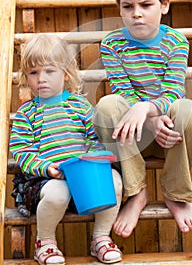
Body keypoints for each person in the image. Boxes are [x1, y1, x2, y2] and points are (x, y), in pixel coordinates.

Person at [93, 0, 192, 238]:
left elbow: (172, 91)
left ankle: (176, 193)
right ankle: (136, 193)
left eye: (146, 5)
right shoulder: (112, 44)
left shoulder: (176, 42)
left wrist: (149, 111)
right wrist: (147, 120)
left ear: (164, 5)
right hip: (131, 141)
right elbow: (123, 92)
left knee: (189, 110)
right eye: (128, 6)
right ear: (119, 9)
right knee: (108, 105)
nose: (137, 13)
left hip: (171, 137)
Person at [10, 34, 123, 265]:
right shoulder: (26, 114)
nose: (41, 79)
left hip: (83, 179)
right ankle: (45, 242)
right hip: (46, 181)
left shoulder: (79, 106)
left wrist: (93, 158)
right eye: (34, 73)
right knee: (57, 193)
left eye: (49, 71)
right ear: (26, 77)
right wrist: (45, 167)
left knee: (115, 180)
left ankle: (101, 237)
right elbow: (21, 151)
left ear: (66, 74)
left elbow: (94, 138)